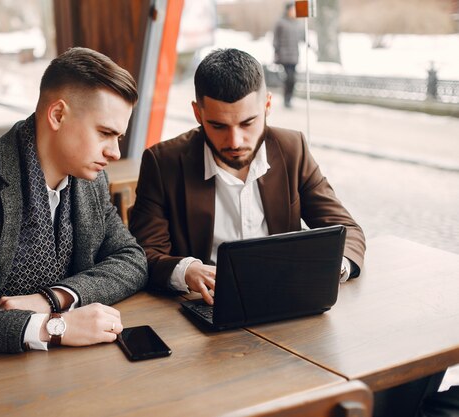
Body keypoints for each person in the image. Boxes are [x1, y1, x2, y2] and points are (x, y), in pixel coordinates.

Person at [0, 47, 148, 353]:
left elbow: (131, 259)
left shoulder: (92, 179)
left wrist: (53, 299)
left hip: (76, 366)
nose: (114, 152)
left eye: (119, 137)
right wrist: (53, 327)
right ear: (57, 115)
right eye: (104, 133)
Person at [128, 48, 365, 305]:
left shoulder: (292, 148)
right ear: (198, 114)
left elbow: (346, 229)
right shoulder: (163, 162)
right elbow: (144, 254)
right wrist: (186, 270)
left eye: (248, 123)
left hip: (286, 297)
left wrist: (335, 268)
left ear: (267, 106)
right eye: (218, 126)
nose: (235, 141)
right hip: (206, 304)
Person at [273, 2, 303, 108]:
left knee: (293, 79)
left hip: (294, 56)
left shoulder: (297, 23)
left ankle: (289, 98)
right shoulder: (280, 22)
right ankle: (287, 99)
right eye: (292, 10)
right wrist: (276, 52)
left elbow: (301, 37)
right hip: (284, 56)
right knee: (289, 78)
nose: (293, 12)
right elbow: (275, 39)